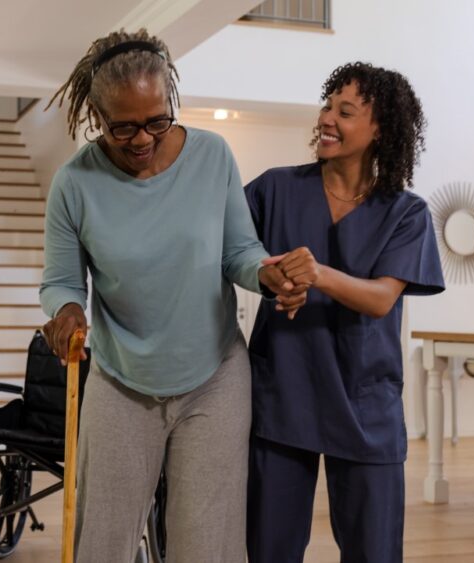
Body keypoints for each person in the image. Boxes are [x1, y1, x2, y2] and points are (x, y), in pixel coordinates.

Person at [40, 29, 304, 563]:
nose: (142, 139)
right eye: (123, 127)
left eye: (157, 121)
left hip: (214, 379)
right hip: (120, 383)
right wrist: (67, 312)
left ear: (171, 103)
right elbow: (64, 282)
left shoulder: (212, 156)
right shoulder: (74, 184)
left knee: (205, 546)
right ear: (96, 115)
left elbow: (239, 252)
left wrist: (267, 275)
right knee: (102, 543)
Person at [244, 62, 445, 563]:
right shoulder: (275, 188)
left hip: (364, 404)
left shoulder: (406, 213)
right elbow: (231, 254)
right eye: (328, 105)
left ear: (380, 129)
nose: (327, 118)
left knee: (374, 553)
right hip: (284, 394)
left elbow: (381, 298)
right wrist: (270, 279)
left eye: (346, 111)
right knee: (269, 549)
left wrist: (317, 274)